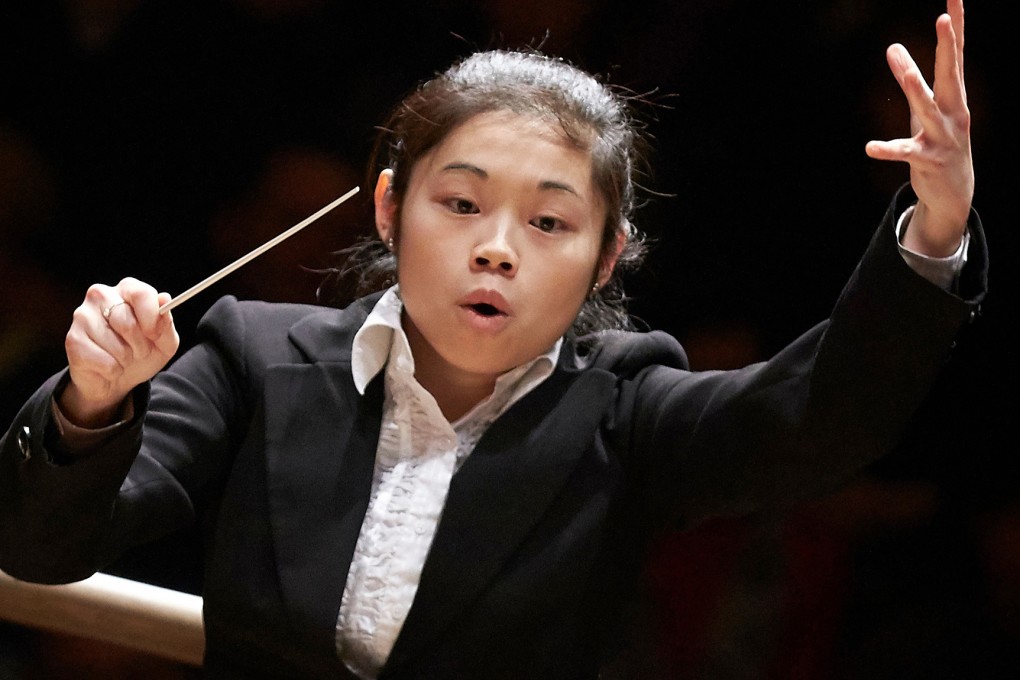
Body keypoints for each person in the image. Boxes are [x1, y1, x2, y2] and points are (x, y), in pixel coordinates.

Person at [0, 1, 985, 677]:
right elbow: (37, 545)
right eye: (462, 203)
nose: (498, 249)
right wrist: (93, 401)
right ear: (389, 208)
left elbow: (820, 416)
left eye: (550, 222)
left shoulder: (626, 410)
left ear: (608, 257)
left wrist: (933, 232)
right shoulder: (255, 356)